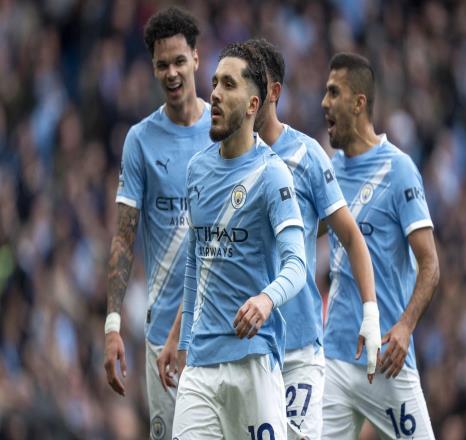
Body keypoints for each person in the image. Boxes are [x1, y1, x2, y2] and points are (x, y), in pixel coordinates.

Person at [171, 42, 306, 439]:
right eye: (214, 83)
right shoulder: (196, 170)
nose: (214, 93)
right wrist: (184, 342)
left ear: (252, 105)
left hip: (253, 361)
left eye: (228, 85)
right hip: (200, 367)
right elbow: (195, 260)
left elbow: (297, 265)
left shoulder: (272, 174)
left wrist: (266, 300)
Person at [247, 38, 381, 440]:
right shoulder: (225, 159)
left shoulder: (306, 156)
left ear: (273, 91)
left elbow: (351, 236)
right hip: (244, 347)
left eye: (254, 83)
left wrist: (370, 314)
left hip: (299, 347)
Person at [102, 7, 211, 440]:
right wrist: (112, 325)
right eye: (162, 64)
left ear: (197, 58)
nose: (172, 73)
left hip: (218, 327)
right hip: (161, 333)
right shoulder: (140, 141)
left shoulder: (225, 131)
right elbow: (123, 239)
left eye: (179, 61)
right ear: (152, 67)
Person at [321, 52, 440, 439]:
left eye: (333, 92)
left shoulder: (399, 169)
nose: (324, 103)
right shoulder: (329, 172)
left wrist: (405, 327)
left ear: (359, 103)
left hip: (386, 357)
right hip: (335, 358)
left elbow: (430, 265)